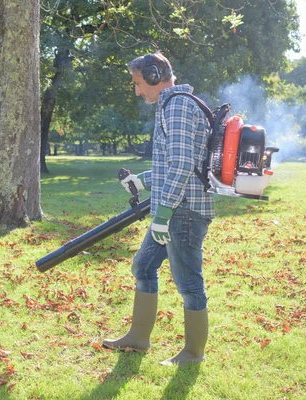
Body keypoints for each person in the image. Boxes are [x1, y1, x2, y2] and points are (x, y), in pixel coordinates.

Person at [102, 52, 214, 366]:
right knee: (143, 266)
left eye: (138, 83)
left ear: (154, 75)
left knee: (189, 282)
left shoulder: (177, 105)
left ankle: (193, 353)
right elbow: (173, 166)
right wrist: (141, 181)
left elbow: (181, 166)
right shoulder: (172, 105)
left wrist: (163, 216)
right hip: (175, 208)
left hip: (184, 211)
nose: (137, 91)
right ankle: (138, 339)